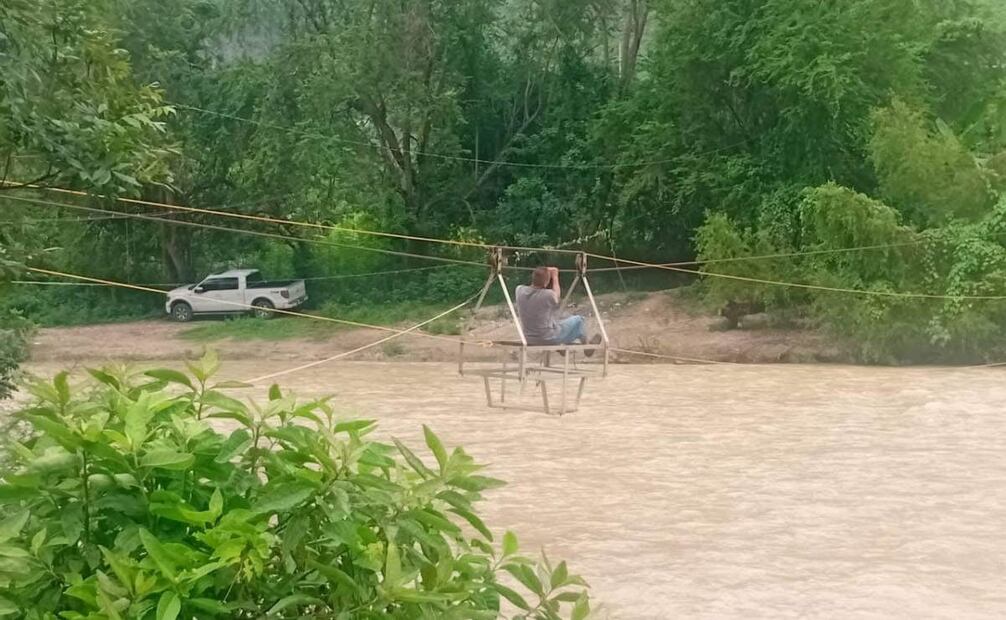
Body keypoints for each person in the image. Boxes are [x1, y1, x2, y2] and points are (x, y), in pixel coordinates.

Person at [515, 266, 602, 355]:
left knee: (558, 321)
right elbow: (557, 296)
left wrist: (543, 271)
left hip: (527, 337)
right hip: (547, 338)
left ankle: (564, 344)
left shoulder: (519, 290)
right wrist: (555, 276)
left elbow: (538, 281)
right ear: (546, 282)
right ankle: (586, 346)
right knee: (579, 320)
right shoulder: (547, 295)